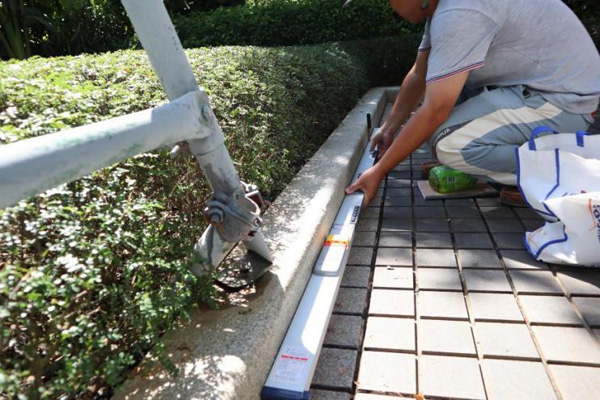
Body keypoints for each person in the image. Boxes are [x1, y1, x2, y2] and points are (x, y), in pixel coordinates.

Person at [345, 0, 600, 205]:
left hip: (563, 103)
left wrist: (379, 171)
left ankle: (565, 170)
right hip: (543, 89)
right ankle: (509, 158)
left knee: (449, 143)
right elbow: (420, 74)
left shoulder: (460, 12)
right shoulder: (443, 9)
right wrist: (388, 128)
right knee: (436, 115)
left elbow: (436, 110)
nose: (389, 6)